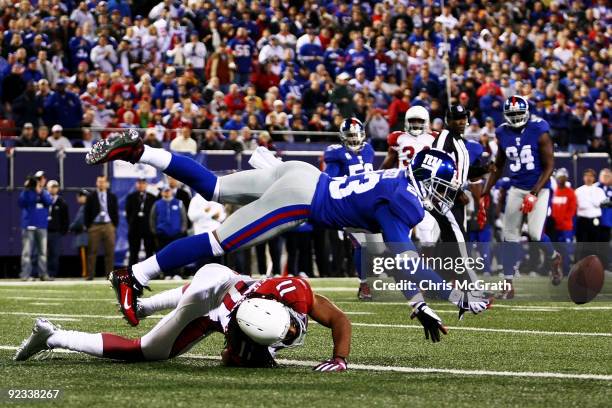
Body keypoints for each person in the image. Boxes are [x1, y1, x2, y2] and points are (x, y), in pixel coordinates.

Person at [87, 130, 490, 341]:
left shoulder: (396, 181)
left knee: (214, 186)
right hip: (301, 199)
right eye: (443, 186)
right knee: (217, 242)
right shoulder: (406, 201)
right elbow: (403, 260)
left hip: (302, 174)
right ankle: (134, 276)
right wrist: (457, 295)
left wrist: (419, 303)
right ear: (425, 180)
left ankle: (141, 151)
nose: (445, 194)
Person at [14, 264, 351, 372]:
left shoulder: (296, 293)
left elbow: (340, 320)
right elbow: (228, 357)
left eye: (292, 327)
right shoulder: (241, 331)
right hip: (215, 306)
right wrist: (249, 356)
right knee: (141, 351)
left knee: (204, 288)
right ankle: (53, 335)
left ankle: (141, 307)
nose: (296, 329)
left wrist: (340, 358)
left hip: (219, 279)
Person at [479, 95, 562, 297]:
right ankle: (508, 285)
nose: (515, 118)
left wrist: (534, 193)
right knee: (510, 236)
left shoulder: (539, 130)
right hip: (516, 188)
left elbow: (550, 166)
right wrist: (485, 192)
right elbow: (498, 165)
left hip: (539, 188)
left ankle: (554, 257)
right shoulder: (501, 132)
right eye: (512, 114)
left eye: (518, 114)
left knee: (534, 234)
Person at [323, 118, 375, 300]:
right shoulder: (335, 154)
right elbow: (328, 180)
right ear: (343, 137)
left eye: (357, 135)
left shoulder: (369, 150)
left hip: (371, 203)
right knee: (362, 244)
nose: (354, 139)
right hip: (351, 205)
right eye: (350, 136)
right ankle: (364, 284)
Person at [18, 171, 52, 281]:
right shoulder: (27, 192)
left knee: (42, 252)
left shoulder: (44, 192)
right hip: (29, 225)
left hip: (41, 225)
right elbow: (22, 203)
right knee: (27, 252)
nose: (40, 181)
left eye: (41, 178)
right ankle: (25, 275)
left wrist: (40, 191)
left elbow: (49, 202)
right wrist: (27, 188)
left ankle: (43, 274)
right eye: (38, 179)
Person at [84, 176, 119, 279]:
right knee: (92, 251)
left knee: (110, 252)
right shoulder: (91, 196)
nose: (101, 184)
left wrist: (113, 225)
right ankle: (90, 275)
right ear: (96, 183)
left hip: (108, 225)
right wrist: (89, 226)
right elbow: (87, 212)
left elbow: (115, 212)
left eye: (103, 182)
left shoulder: (112, 196)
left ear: (107, 184)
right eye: (99, 182)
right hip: (95, 226)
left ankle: (110, 275)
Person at [150, 185, 188, 278]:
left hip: (176, 234)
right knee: (164, 255)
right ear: (162, 192)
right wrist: (155, 231)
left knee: (177, 254)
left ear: (171, 192)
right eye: (165, 191)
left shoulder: (179, 203)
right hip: (162, 235)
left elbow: (184, 218)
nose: (167, 192)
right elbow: (152, 218)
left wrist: (182, 230)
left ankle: (177, 273)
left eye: (168, 191)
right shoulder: (157, 204)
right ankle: (167, 274)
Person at [574, 169, 608, 262]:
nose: (588, 178)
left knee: (594, 242)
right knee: (581, 243)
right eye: (586, 175)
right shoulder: (578, 191)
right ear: (583, 177)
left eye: (591, 176)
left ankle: (593, 264)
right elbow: (577, 205)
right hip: (582, 219)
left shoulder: (599, 190)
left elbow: (601, 203)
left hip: (595, 220)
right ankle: (579, 263)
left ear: (594, 178)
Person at [125, 178, 157, 266]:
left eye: (143, 183)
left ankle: (150, 272)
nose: (141, 185)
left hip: (148, 229)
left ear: (146, 185)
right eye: (139, 183)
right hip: (134, 228)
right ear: (136, 185)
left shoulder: (152, 197)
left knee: (149, 251)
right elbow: (128, 213)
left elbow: (154, 214)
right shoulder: (131, 197)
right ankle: (132, 273)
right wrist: (132, 223)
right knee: (133, 252)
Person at [45, 180, 69, 280]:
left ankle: (52, 273)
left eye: (55, 187)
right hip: (43, 231)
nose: (53, 188)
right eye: (52, 187)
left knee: (54, 254)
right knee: (41, 253)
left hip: (55, 232)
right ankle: (40, 273)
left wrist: (62, 231)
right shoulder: (43, 199)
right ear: (47, 188)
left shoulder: (62, 202)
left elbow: (66, 218)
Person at [69, 190, 89, 278]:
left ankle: (85, 273)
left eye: (79, 197)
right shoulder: (86, 207)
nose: (78, 199)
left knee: (84, 255)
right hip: (86, 234)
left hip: (84, 235)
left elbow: (79, 222)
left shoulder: (85, 207)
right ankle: (86, 272)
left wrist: (70, 227)